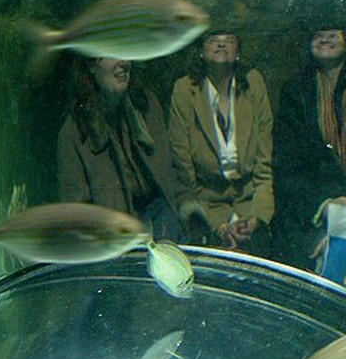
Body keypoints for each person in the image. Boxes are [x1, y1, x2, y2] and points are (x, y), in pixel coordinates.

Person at [272, 27, 346, 268]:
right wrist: (324, 205)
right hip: (313, 212)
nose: (325, 39)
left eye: (333, 33)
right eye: (316, 34)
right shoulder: (295, 91)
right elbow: (287, 164)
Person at [167, 30, 274, 252]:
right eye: (213, 40)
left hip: (249, 207)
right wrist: (218, 226)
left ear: (238, 53)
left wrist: (256, 218)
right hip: (207, 210)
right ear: (200, 52)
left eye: (229, 40)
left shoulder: (253, 84)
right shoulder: (185, 90)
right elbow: (184, 176)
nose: (221, 44)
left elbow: (264, 170)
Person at [57, 56, 184, 241]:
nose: (124, 63)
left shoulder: (147, 104)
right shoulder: (75, 132)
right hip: (115, 243)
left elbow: (174, 172)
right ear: (91, 65)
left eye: (126, 53)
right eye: (113, 53)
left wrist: (189, 210)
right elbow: (76, 218)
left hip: (164, 225)